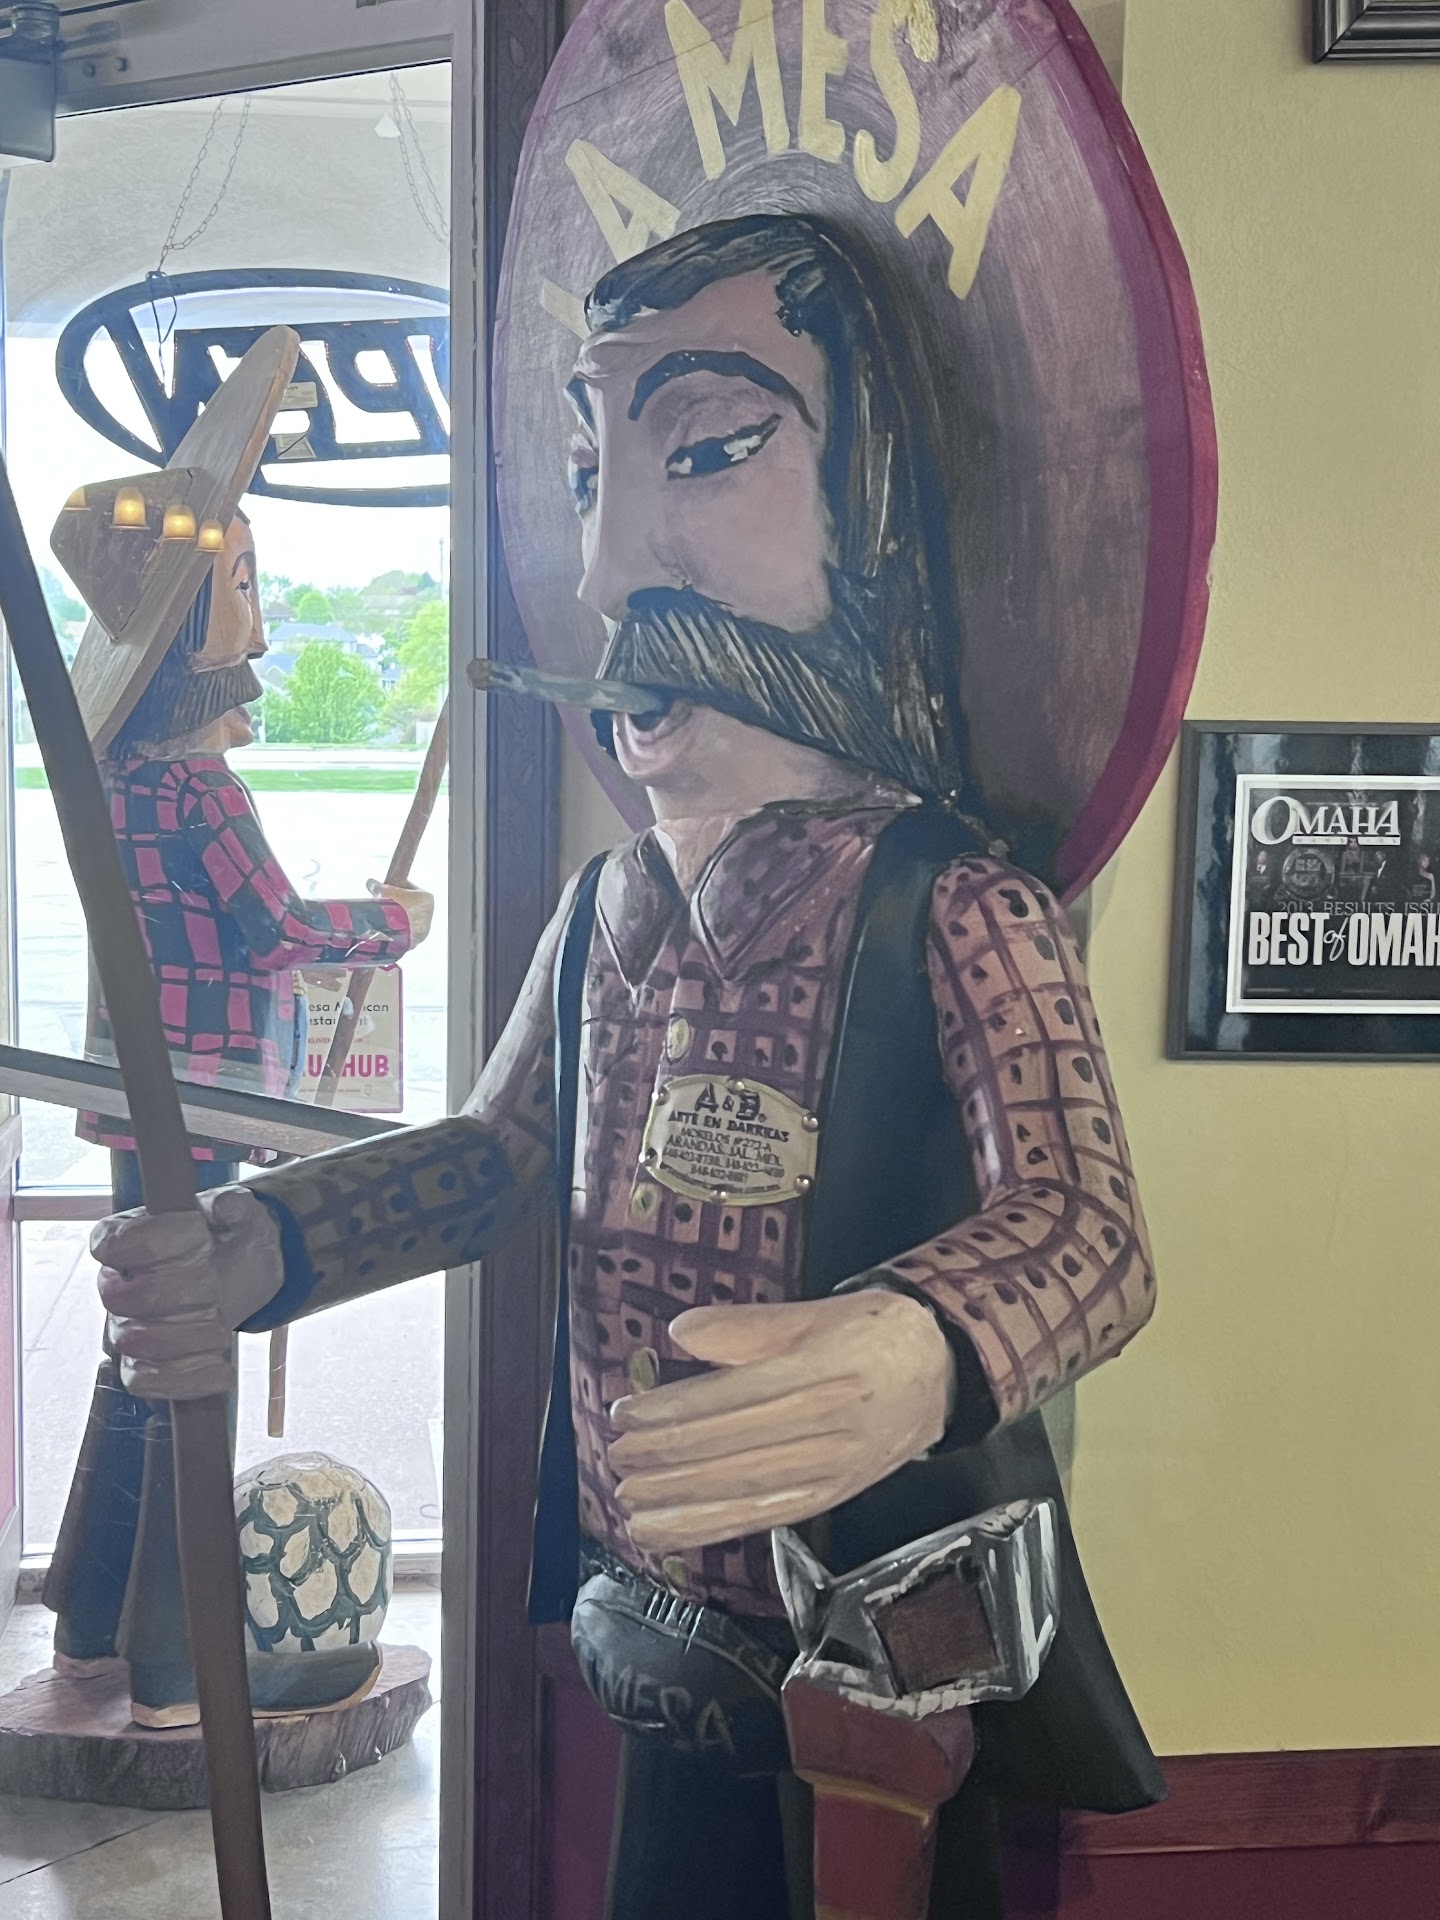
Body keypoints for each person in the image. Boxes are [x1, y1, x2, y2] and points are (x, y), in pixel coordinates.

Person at [95, 220, 1162, 1913]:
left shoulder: (957, 907)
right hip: (654, 1623)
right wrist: (268, 1243)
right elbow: (501, 1152)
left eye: (713, 448)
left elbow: (1090, 1229)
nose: (605, 575)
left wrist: (920, 1347)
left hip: (884, 1662)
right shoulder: (606, 908)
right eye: (592, 474)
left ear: (877, 507)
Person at [45, 331, 432, 1727]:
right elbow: (273, 927)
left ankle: (95, 1615)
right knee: (184, 1349)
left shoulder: (116, 773)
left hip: (144, 1095)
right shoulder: (197, 789)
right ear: (192, 614)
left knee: (139, 1342)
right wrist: (391, 921)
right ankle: (171, 1659)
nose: (261, 625)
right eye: (246, 585)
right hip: (199, 1097)